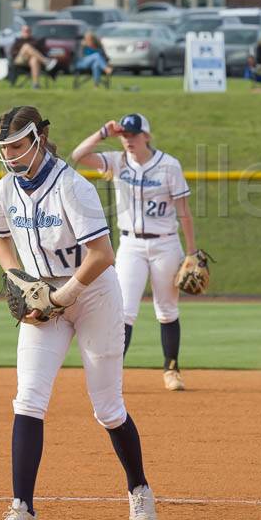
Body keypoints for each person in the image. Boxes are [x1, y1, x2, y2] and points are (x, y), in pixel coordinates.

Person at [0, 106, 157, 520]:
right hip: (43, 297)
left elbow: (102, 255)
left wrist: (62, 297)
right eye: (3, 147)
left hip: (94, 293)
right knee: (28, 399)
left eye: (17, 145)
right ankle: (23, 510)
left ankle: (139, 489)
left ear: (39, 139)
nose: (9, 154)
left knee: (107, 407)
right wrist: (17, 278)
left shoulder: (71, 187)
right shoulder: (5, 189)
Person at [70, 113, 197, 391]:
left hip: (165, 244)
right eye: (124, 135)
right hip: (130, 245)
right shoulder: (117, 162)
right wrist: (104, 132)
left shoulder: (169, 166)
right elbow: (78, 155)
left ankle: (171, 370)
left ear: (147, 136)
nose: (128, 139)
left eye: (134, 134)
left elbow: (184, 212)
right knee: (124, 311)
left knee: (166, 309)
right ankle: (113, 375)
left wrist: (192, 252)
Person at [10, 24, 57, 89]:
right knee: (26, 46)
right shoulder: (18, 41)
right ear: (22, 31)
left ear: (30, 32)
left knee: (34, 60)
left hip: (30, 62)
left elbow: (42, 51)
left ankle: (35, 84)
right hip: (19, 60)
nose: (26, 32)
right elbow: (13, 53)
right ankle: (46, 62)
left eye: (28, 30)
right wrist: (25, 52)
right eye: (25, 31)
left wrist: (31, 53)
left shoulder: (35, 41)